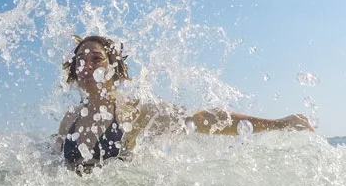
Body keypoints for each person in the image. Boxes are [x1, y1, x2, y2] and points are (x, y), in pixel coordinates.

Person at [57, 34, 313, 168]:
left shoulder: (134, 111)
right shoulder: (70, 118)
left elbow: (203, 119)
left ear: (113, 66)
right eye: (80, 60)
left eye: (96, 59)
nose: (86, 66)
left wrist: (278, 124)